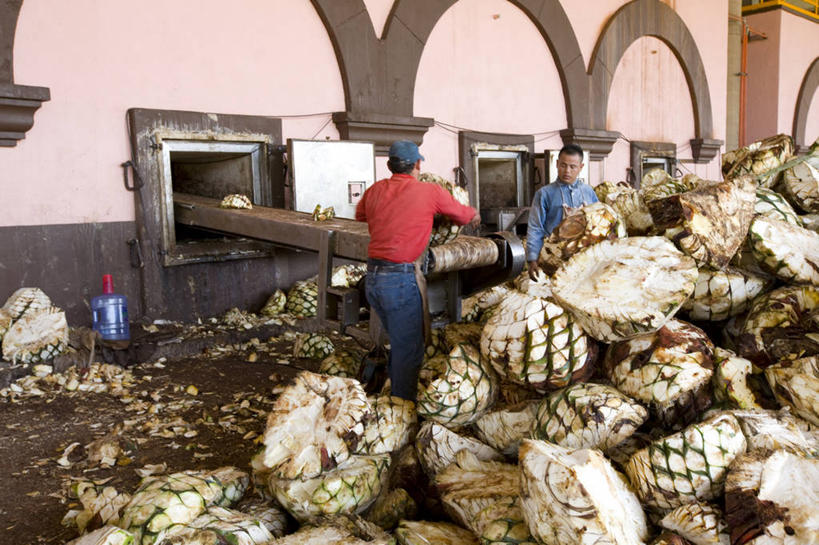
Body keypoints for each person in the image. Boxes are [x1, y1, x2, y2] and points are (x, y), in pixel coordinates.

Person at [356, 140, 479, 401]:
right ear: (418, 164)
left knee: (398, 342)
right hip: (399, 281)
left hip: (373, 280)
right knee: (409, 349)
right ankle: (401, 409)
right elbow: (463, 216)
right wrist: (473, 214)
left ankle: (390, 389)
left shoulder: (374, 190)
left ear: (389, 166)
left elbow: (360, 215)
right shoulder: (429, 192)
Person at [526, 144, 598, 281]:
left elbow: (598, 222)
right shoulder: (544, 194)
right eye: (563, 165)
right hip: (554, 259)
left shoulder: (589, 192)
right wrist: (532, 259)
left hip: (585, 260)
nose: (567, 171)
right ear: (557, 164)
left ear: (581, 168)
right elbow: (536, 228)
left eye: (573, 167)